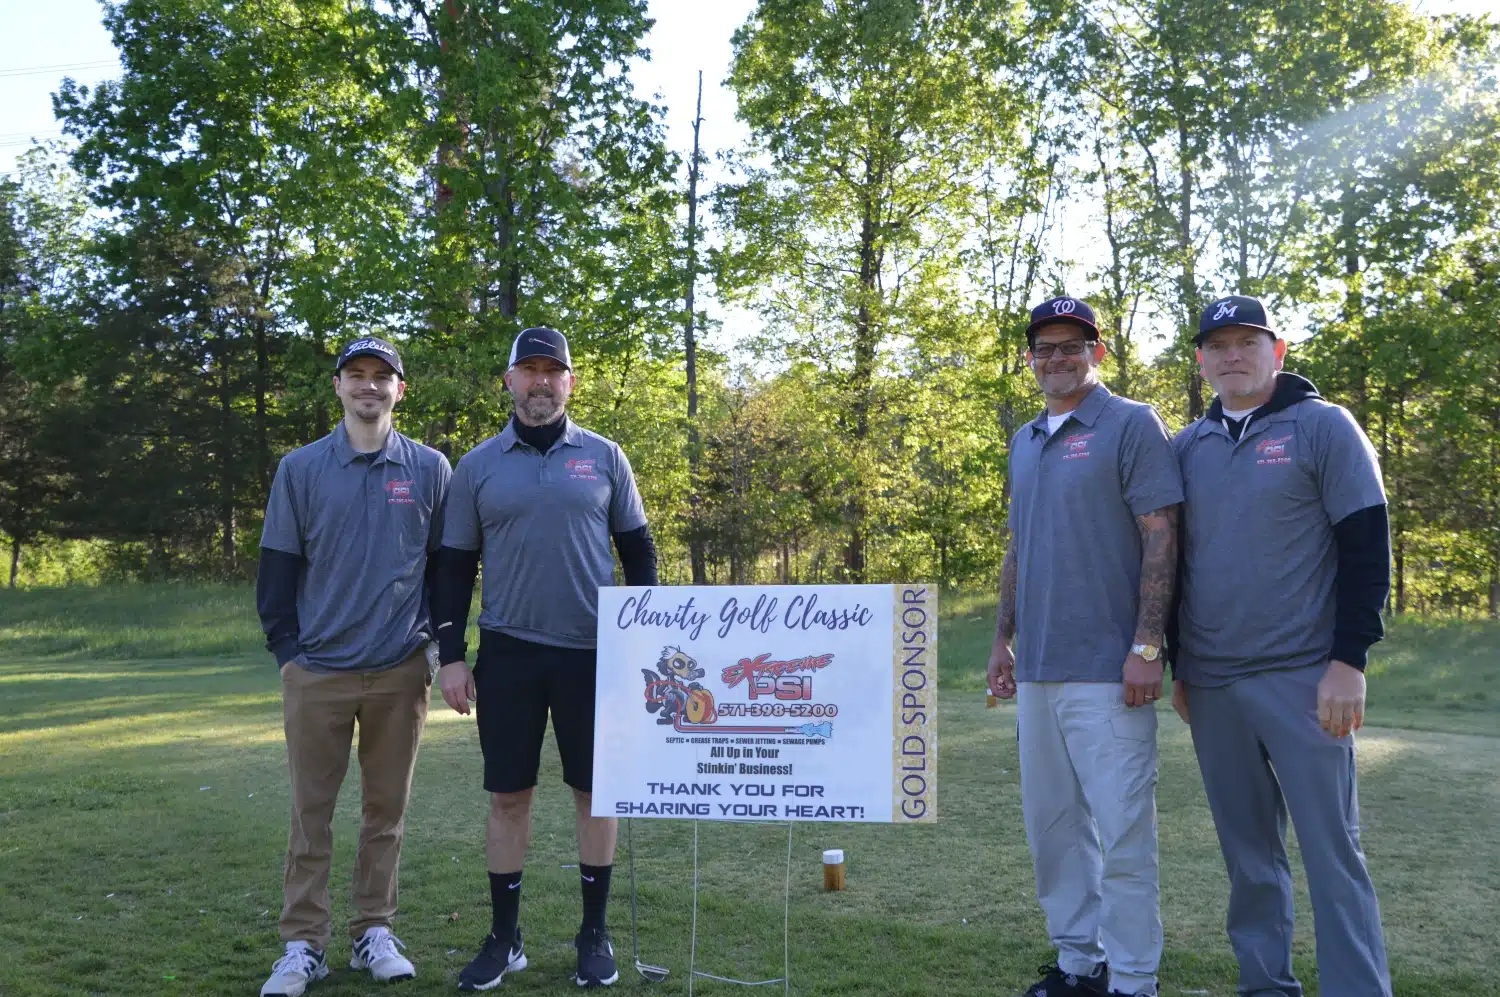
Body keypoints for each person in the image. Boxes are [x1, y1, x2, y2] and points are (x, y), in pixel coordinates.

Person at [1169, 295, 1393, 997]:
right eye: (1218, 345)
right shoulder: (1186, 447)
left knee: (1333, 855)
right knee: (1249, 856)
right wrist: (1180, 664)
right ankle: (1265, 984)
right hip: (1211, 683)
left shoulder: (1323, 427)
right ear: (1201, 360)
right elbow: (1172, 564)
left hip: (1305, 677)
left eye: (1248, 341)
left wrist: (1348, 660)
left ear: (1279, 350)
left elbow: (1365, 545)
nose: (1233, 355)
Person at [430, 326, 659, 991]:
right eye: (527, 370)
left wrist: (644, 636)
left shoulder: (606, 457)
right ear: (508, 381)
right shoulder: (477, 466)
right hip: (508, 652)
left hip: (595, 655)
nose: (539, 381)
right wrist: (451, 654)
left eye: (551, 370)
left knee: (595, 793)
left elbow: (639, 553)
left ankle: (594, 932)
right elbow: (453, 567)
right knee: (508, 796)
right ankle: (506, 936)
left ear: (570, 382)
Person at [987, 296, 1183, 997]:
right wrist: (1002, 639)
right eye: (1046, 347)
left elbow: (1161, 531)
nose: (1058, 357)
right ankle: (1080, 963)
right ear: (1030, 359)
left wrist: (1148, 646)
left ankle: (1133, 980)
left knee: (1125, 832)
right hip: (1038, 666)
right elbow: (1020, 547)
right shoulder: (1025, 438)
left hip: (1108, 668)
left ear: (1097, 352)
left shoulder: (1131, 425)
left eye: (1074, 345)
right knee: (1054, 830)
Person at [255, 337, 452, 996]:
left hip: (400, 670)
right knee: (311, 814)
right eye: (357, 375)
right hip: (319, 671)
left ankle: (374, 930)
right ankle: (302, 944)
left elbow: (447, 570)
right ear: (337, 386)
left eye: (382, 377)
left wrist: (434, 648)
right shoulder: (302, 468)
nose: (369, 387)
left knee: (385, 811)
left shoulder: (429, 469)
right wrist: (289, 656)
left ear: (400, 388)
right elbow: (277, 568)